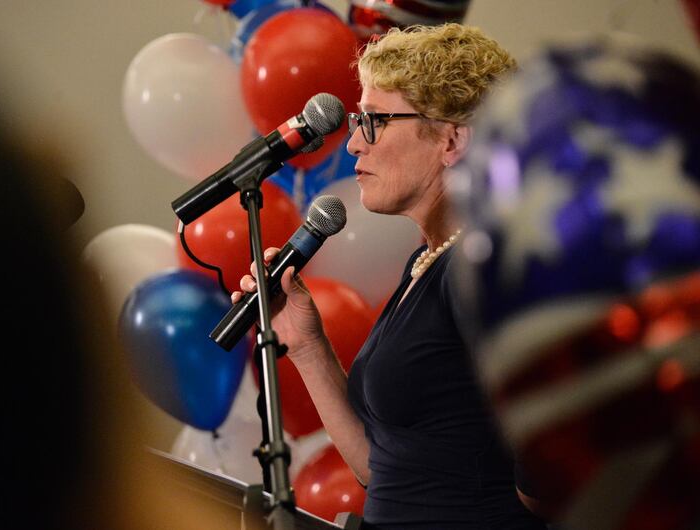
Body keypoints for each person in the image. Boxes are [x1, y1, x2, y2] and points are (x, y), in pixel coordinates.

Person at [233, 24, 547, 529]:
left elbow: (555, 463)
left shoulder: (482, 266)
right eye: (359, 120)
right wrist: (307, 342)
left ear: (453, 139)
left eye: (375, 120)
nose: (354, 143)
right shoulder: (426, 262)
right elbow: (380, 471)